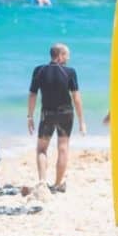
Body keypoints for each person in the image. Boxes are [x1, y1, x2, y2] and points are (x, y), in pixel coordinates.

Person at [27, 43, 86, 194]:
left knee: (41, 149)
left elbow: (33, 95)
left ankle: (42, 182)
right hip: (66, 113)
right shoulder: (70, 72)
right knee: (63, 148)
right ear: (59, 56)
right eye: (66, 55)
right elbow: (76, 98)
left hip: (47, 113)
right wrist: (81, 121)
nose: (68, 58)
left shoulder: (39, 70)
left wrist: (30, 116)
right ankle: (58, 184)